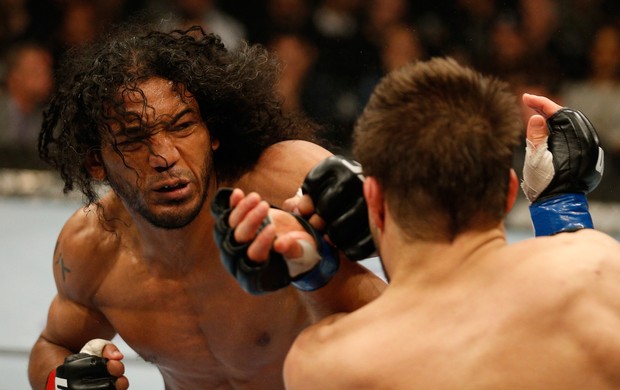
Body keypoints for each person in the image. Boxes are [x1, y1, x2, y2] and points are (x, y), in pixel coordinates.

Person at [27, 24, 386, 390]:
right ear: (95, 163)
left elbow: (415, 289)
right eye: (133, 140)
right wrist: (60, 380)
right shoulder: (89, 249)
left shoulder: (282, 181)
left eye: (182, 126)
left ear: (212, 133)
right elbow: (52, 345)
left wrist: (373, 206)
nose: (164, 157)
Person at [232, 57, 620, 388]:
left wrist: (319, 273)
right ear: (508, 193)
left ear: (374, 202)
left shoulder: (323, 362)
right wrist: (560, 203)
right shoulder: (599, 267)